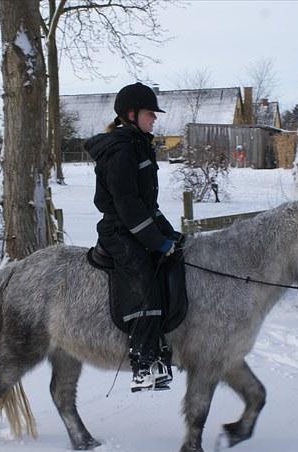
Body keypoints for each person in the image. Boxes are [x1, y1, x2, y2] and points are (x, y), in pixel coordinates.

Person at [84, 82, 180, 392]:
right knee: (145, 282)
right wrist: (155, 241)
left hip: (136, 225)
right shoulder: (121, 149)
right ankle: (143, 363)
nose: (155, 119)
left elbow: (147, 205)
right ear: (131, 114)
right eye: (150, 113)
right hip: (119, 232)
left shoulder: (139, 145)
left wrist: (169, 235)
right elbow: (127, 204)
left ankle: (162, 344)